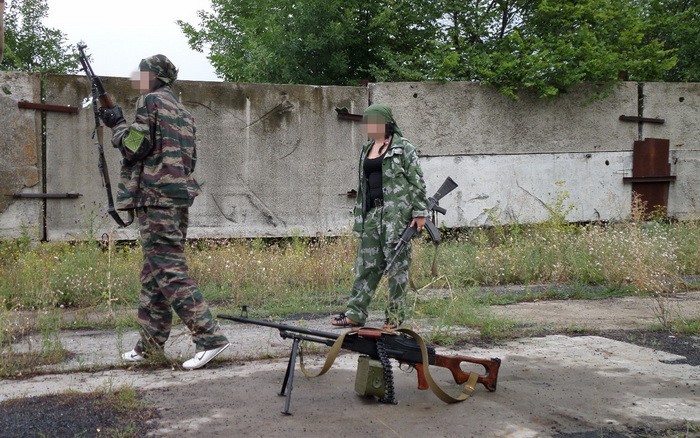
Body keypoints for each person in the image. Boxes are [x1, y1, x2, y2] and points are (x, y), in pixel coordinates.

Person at [99, 54, 230, 370]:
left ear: (156, 77)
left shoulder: (149, 102)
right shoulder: (184, 112)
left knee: (168, 269)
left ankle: (210, 337)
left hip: (156, 199)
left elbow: (134, 146)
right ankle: (149, 345)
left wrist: (116, 123)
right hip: (176, 198)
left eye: (143, 74)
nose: (139, 79)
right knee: (154, 273)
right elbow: (189, 159)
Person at [332, 103, 429, 330]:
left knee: (397, 267)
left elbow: (417, 181)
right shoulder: (367, 148)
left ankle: (394, 317)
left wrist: (419, 212)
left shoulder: (403, 148)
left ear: (385, 122)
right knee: (366, 265)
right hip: (373, 215)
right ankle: (355, 313)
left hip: (397, 216)